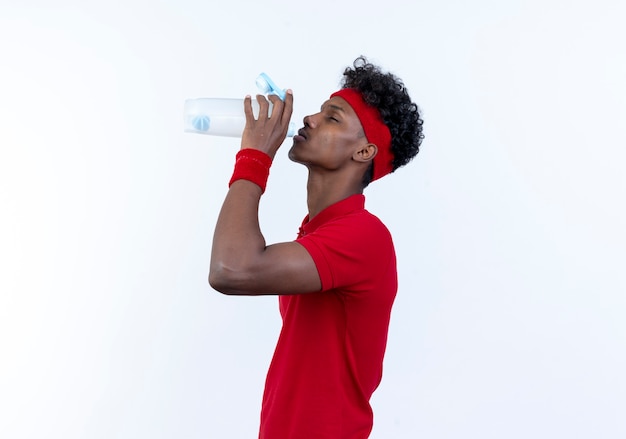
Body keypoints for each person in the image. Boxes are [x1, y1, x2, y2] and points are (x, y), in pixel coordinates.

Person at [209, 56, 424, 439]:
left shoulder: (363, 236)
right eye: (321, 111)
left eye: (333, 117)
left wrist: (254, 156)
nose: (309, 119)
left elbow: (232, 269)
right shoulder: (316, 234)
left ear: (363, 152)